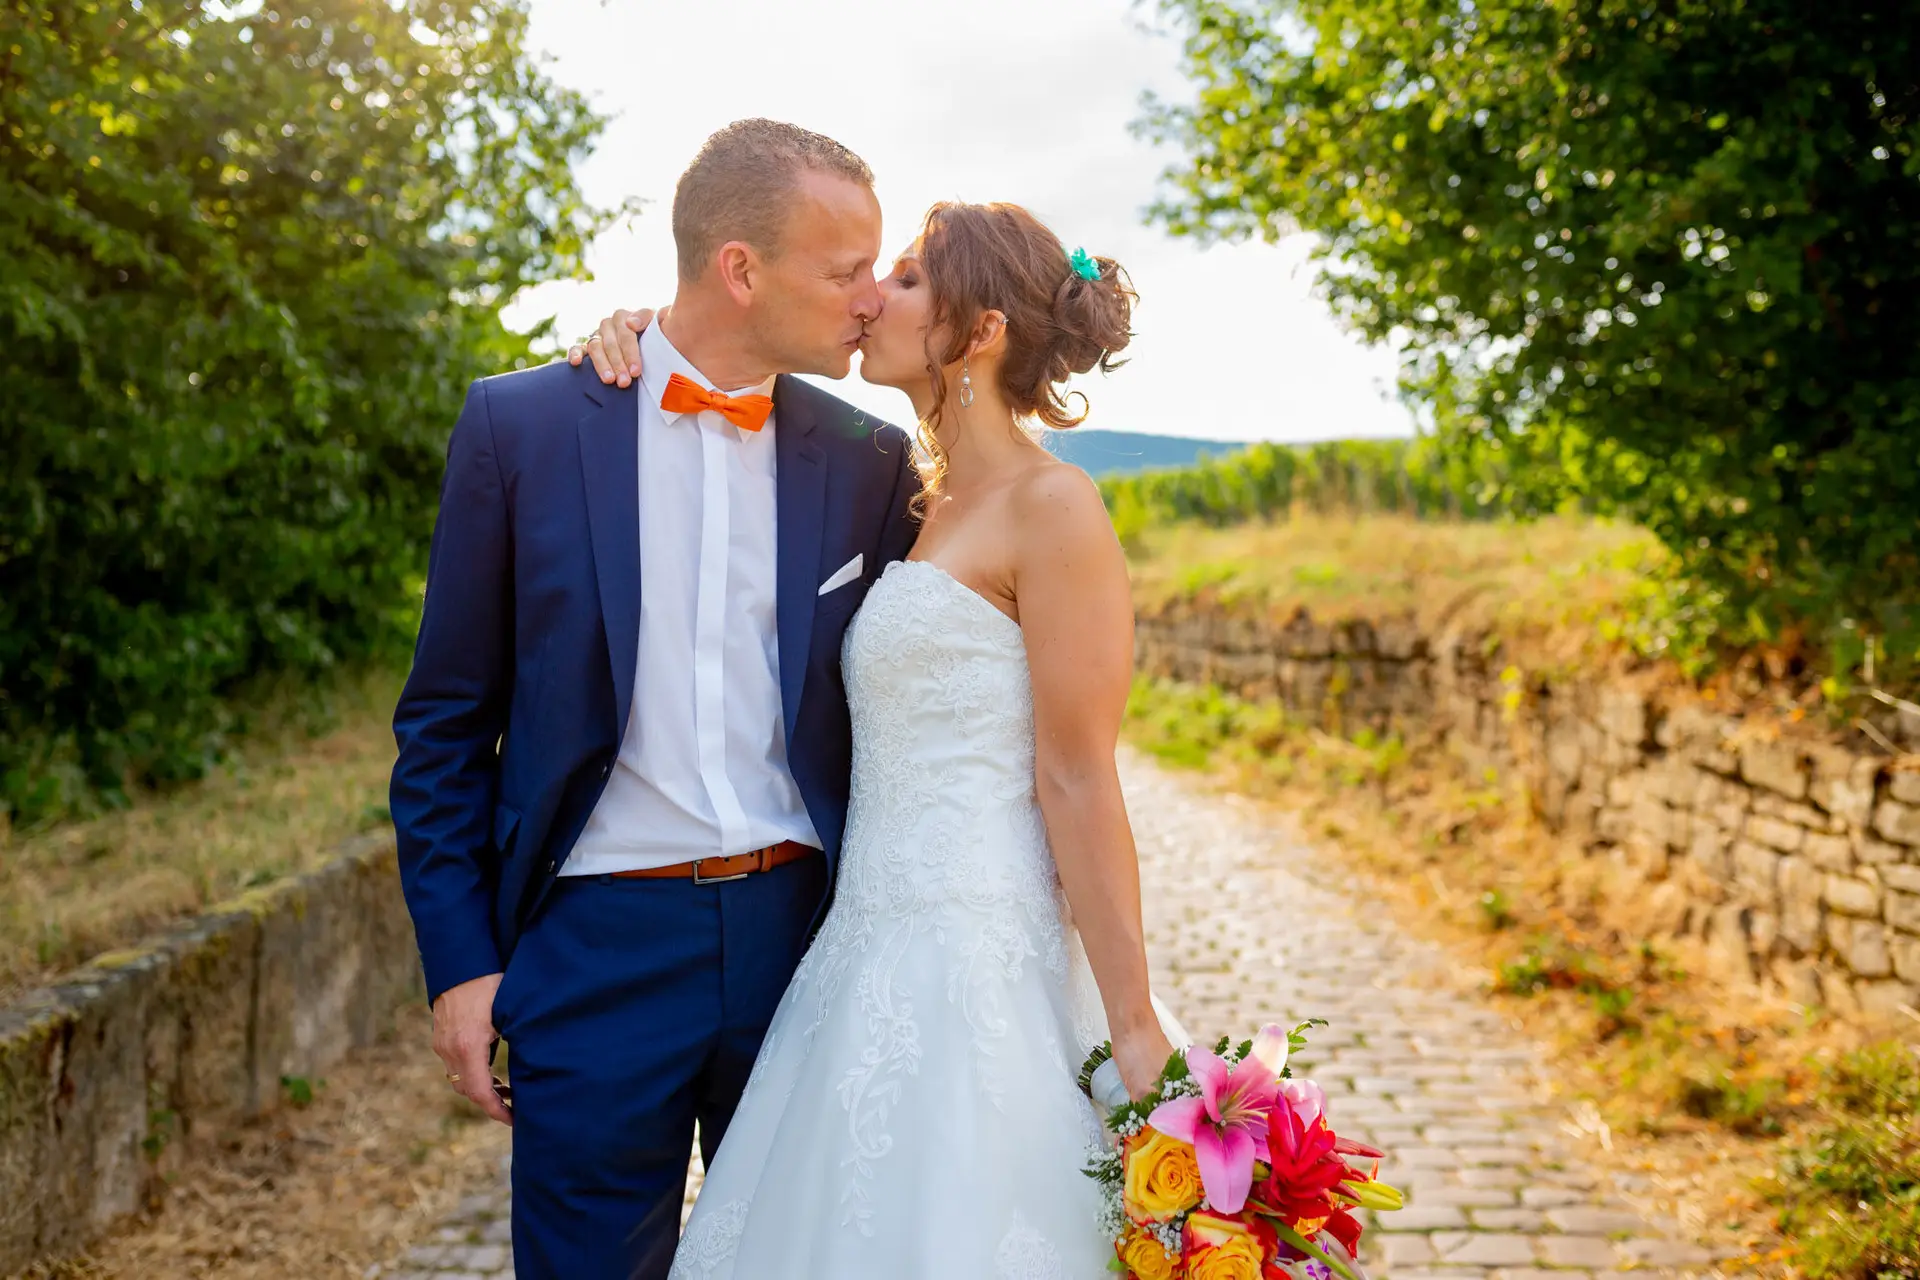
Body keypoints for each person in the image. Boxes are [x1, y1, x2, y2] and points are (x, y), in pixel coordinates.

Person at [570, 199, 1178, 1277]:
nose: (867, 300)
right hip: (857, 947)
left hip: (975, 958)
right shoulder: (908, 493)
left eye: (901, 279)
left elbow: (1078, 775)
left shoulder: (1057, 506)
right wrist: (633, 333)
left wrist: (1132, 1024)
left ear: (979, 330)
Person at [388, 119, 921, 1280]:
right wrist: (462, 965)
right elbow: (441, 725)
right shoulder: (523, 426)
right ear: (740, 268)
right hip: (594, 946)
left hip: (806, 942)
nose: (872, 298)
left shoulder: (870, 459)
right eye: (844, 271)